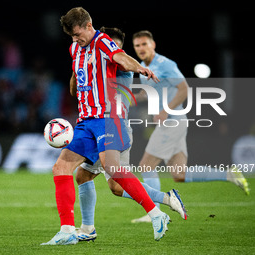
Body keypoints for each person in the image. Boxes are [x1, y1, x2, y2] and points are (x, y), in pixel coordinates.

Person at [41, 7, 170, 246]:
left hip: (107, 119)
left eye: (78, 34)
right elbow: (77, 79)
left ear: (89, 26)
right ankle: (68, 230)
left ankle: (157, 214)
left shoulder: (102, 42)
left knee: (113, 170)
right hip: (85, 121)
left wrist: (139, 67)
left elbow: (121, 57)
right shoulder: (74, 48)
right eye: (71, 36)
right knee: (60, 168)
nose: (75, 39)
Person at [122, 30, 250, 223]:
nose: (141, 48)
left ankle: (155, 211)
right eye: (137, 45)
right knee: (179, 174)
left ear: (153, 45)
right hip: (175, 122)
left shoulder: (165, 64)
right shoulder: (145, 68)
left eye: (144, 44)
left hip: (172, 121)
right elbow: (152, 93)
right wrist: (130, 99)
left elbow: (183, 89)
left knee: (146, 165)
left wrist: (165, 109)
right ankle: (228, 174)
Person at [74, 27, 187, 242]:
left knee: (85, 175)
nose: (109, 49)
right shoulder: (97, 62)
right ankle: (167, 198)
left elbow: (113, 65)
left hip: (113, 128)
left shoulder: (119, 63)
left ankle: (88, 229)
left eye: (113, 46)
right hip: (107, 126)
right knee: (116, 185)